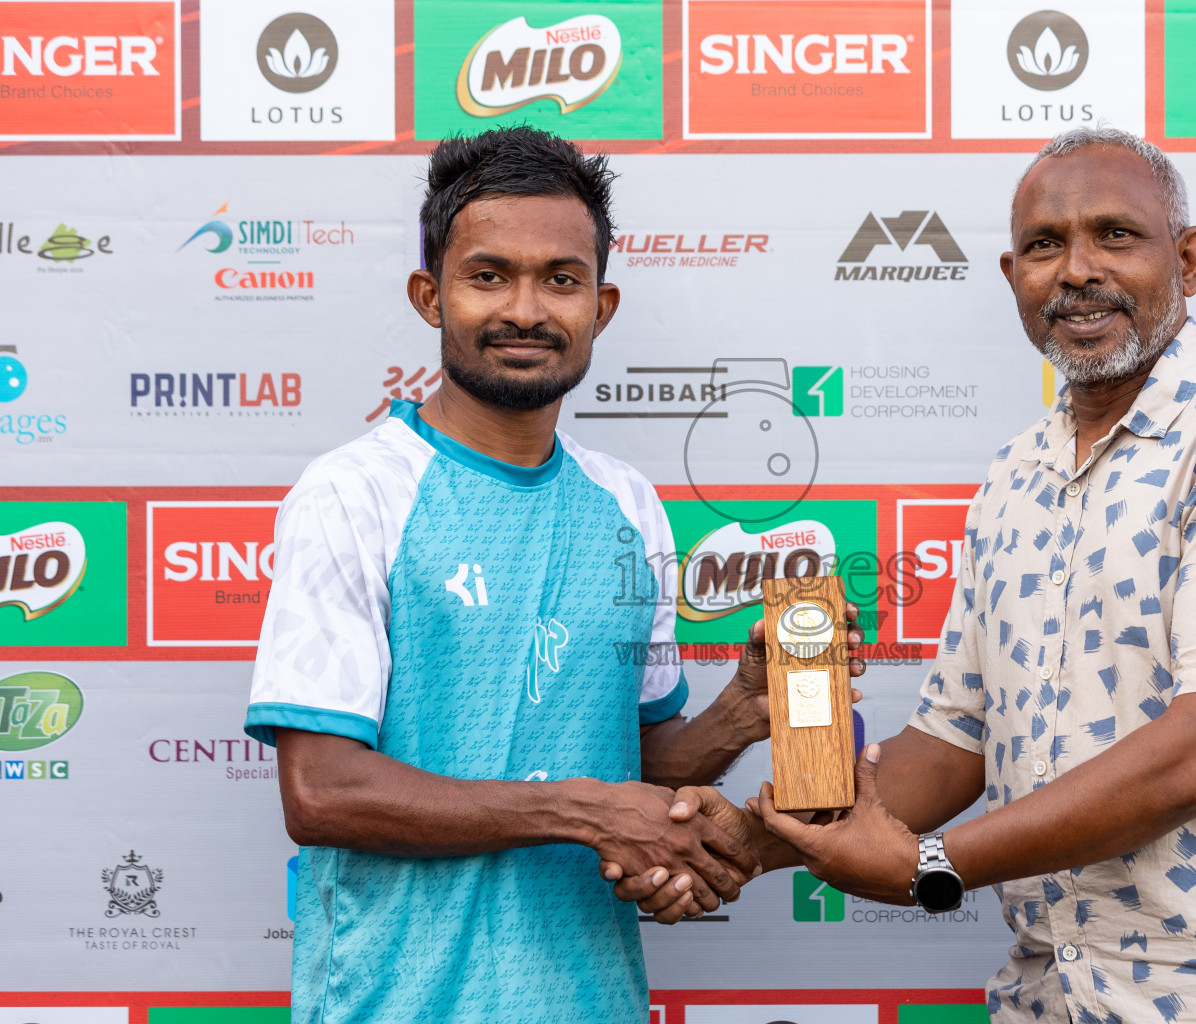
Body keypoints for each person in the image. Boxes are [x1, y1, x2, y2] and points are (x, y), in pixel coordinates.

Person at [617, 128, 1196, 1024]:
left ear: (1190, 259)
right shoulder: (1016, 476)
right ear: (1012, 275)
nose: (1078, 270)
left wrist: (931, 868)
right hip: (1050, 998)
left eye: (1116, 236)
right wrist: (748, 838)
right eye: (1046, 246)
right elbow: (953, 746)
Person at [243, 126, 863, 1024]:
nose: (526, 310)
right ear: (431, 295)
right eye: (489, 275)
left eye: (560, 280)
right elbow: (322, 790)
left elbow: (639, 764)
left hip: (589, 997)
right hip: (395, 1004)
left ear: (601, 306)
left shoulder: (628, 504)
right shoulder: (354, 493)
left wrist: (745, 707)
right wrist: (584, 812)